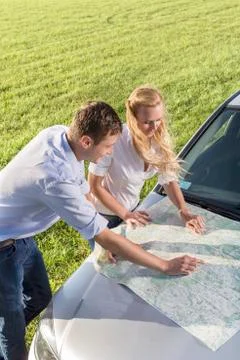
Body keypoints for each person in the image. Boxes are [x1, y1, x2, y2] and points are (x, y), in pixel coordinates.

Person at [0, 101, 201, 360]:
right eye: (107, 146)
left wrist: (87, 199)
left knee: (39, 297)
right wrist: (165, 266)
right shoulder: (53, 178)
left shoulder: (58, 134)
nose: (109, 153)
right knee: (12, 330)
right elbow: (104, 235)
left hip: (19, 237)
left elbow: (79, 181)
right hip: (3, 249)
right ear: (86, 141)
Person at [88, 86, 205, 234]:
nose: (154, 127)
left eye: (158, 120)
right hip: (104, 216)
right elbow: (94, 186)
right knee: (106, 257)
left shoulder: (158, 139)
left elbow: (168, 179)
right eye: (147, 122)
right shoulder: (113, 140)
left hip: (133, 210)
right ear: (132, 118)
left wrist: (183, 210)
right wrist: (125, 214)